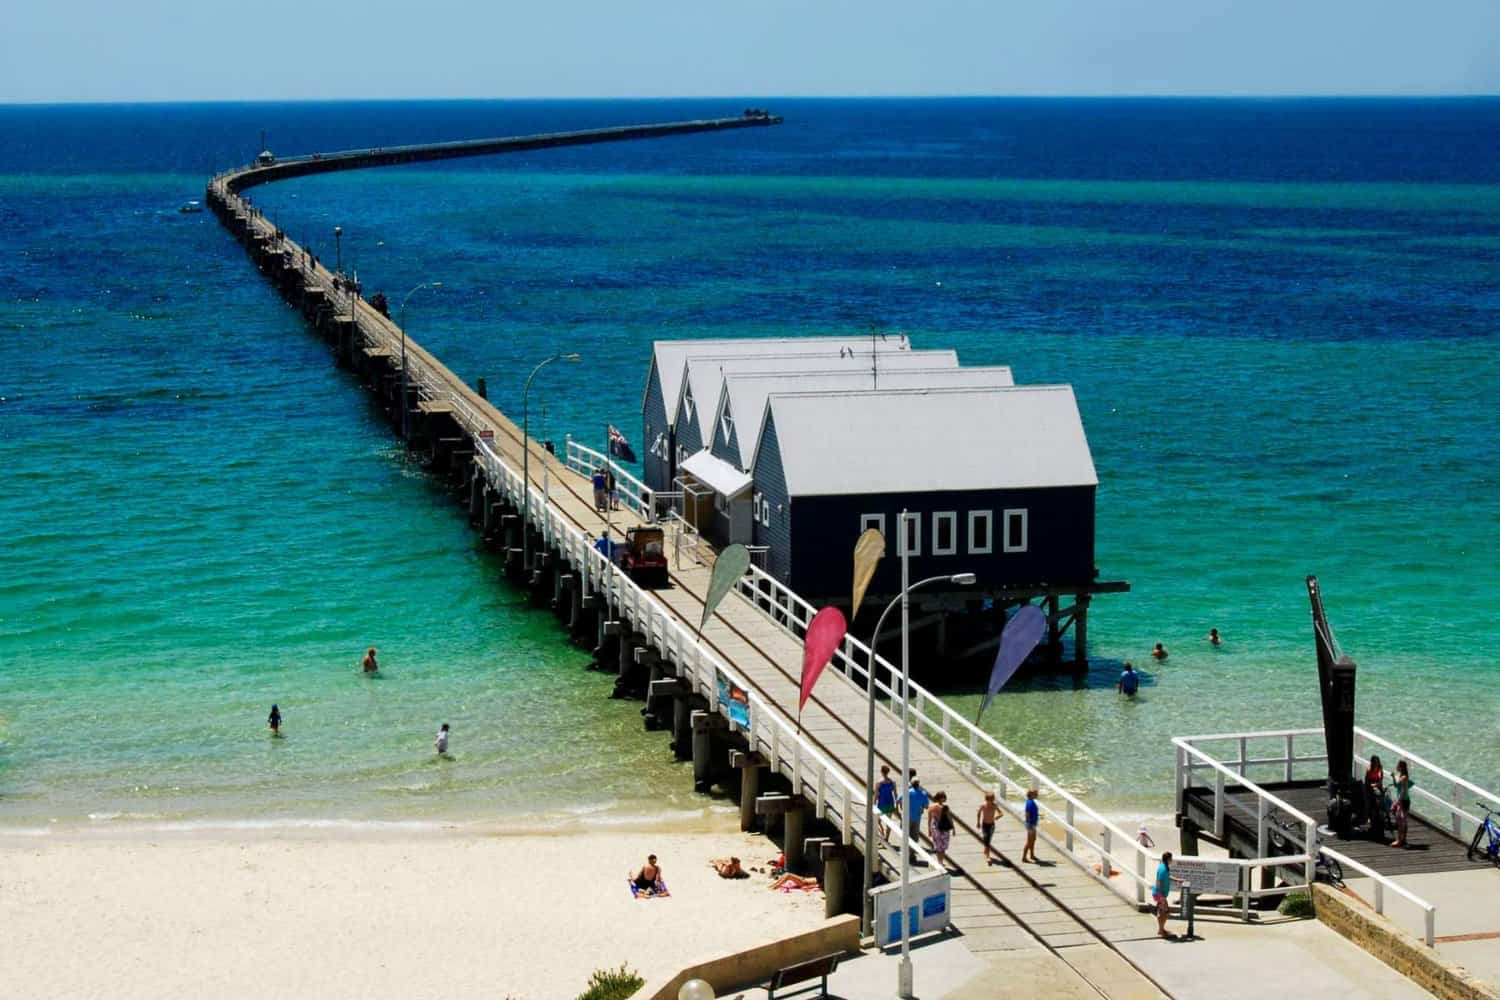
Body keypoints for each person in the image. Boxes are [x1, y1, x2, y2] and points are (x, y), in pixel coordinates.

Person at [904, 779, 931, 861]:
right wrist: (921, 807)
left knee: (906, 835)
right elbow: (926, 806)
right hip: (917, 818)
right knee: (914, 837)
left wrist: (900, 808)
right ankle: (911, 854)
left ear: (912, 784)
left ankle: (906, 854)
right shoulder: (923, 793)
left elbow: (899, 800)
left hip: (907, 817)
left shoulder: (907, 792)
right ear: (918, 784)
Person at [929, 791, 955, 870]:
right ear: (941, 798)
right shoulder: (945, 807)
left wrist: (929, 830)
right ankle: (941, 861)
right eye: (944, 797)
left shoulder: (932, 807)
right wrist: (953, 828)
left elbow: (930, 819)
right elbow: (950, 819)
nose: (945, 799)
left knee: (938, 846)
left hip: (935, 828)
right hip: (944, 829)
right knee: (943, 846)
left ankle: (939, 861)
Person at [1154, 851, 1177, 938]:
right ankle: (1161, 930)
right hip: (1160, 895)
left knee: (1162, 912)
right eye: (1171, 858)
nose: (1172, 860)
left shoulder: (1164, 867)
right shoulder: (1163, 869)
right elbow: (1159, 882)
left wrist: (1177, 880)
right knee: (1165, 912)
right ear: (1168, 859)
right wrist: (1162, 897)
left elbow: (1167, 877)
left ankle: (1161, 929)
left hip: (1160, 894)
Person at [1363, 754, 1386, 840]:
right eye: (1374, 762)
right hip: (1369, 788)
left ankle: (1380, 820)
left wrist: (1378, 785)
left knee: (1380, 803)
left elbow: (1380, 780)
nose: (1376, 763)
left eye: (1377, 762)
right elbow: (1367, 782)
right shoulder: (1369, 770)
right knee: (1370, 805)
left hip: (1377, 786)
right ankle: (1369, 818)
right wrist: (1372, 786)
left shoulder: (1380, 769)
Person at [1391, 760, 1413, 848]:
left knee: (1401, 820)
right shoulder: (1401, 776)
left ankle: (1400, 840)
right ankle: (1402, 839)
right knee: (1401, 820)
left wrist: (1398, 802)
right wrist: (1393, 777)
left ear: (1401, 767)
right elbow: (1396, 786)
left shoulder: (1404, 777)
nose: (1397, 767)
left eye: (1398, 765)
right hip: (1403, 800)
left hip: (1403, 801)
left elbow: (1403, 791)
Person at [977, 792, 1003, 865]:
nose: (991, 801)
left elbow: (1001, 813)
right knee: (986, 839)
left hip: (991, 825)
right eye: (989, 800)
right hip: (984, 825)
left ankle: (987, 855)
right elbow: (979, 813)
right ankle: (987, 853)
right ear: (986, 800)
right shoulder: (983, 806)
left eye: (992, 800)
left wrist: (998, 816)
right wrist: (978, 822)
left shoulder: (994, 806)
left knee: (988, 840)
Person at [876, 765, 898, 842]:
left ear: (881, 772)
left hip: (882, 804)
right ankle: (887, 838)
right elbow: (895, 795)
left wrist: (873, 804)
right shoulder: (892, 782)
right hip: (890, 803)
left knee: (877, 822)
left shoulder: (879, 783)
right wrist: (897, 806)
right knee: (889, 822)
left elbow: (876, 795)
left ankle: (882, 835)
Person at [1021, 788, 1040, 863]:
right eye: (1035, 793)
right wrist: (1029, 823)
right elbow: (1027, 814)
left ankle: (1032, 854)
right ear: (1031, 795)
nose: (1037, 795)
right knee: (1029, 841)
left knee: (1033, 840)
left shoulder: (1032, 801)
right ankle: (1024, 857)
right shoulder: (1030, 802)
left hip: (1033, 823)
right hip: (1030, 824)